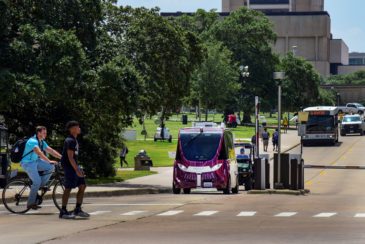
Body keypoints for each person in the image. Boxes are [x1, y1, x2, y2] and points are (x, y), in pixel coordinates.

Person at [21, 126, 61, 210]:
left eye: (46, 133)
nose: (45, 134)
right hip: (28, 163)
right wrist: (49, 160)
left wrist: (62, 157)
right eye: (44, 133)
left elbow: (51, 150)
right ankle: (30, 203)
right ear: (38, 133)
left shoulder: (41, 141)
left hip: (36, 161)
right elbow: (39, 153)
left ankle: (40, 186)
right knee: (37, 181)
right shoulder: (32, 141)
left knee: (51, 167)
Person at [59, 121, 89, 219]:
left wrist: (78, 168)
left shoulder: (74, 140)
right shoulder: (70, 140)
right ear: (71, 129)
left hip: (74, 166)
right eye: (77, 127)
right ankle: (63, 211)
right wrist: (76, 169)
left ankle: (78, 209)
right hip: (69, 167)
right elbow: (70, 157)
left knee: (82, 185)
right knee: (68, 188)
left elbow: (74, 158)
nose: (79, 128)